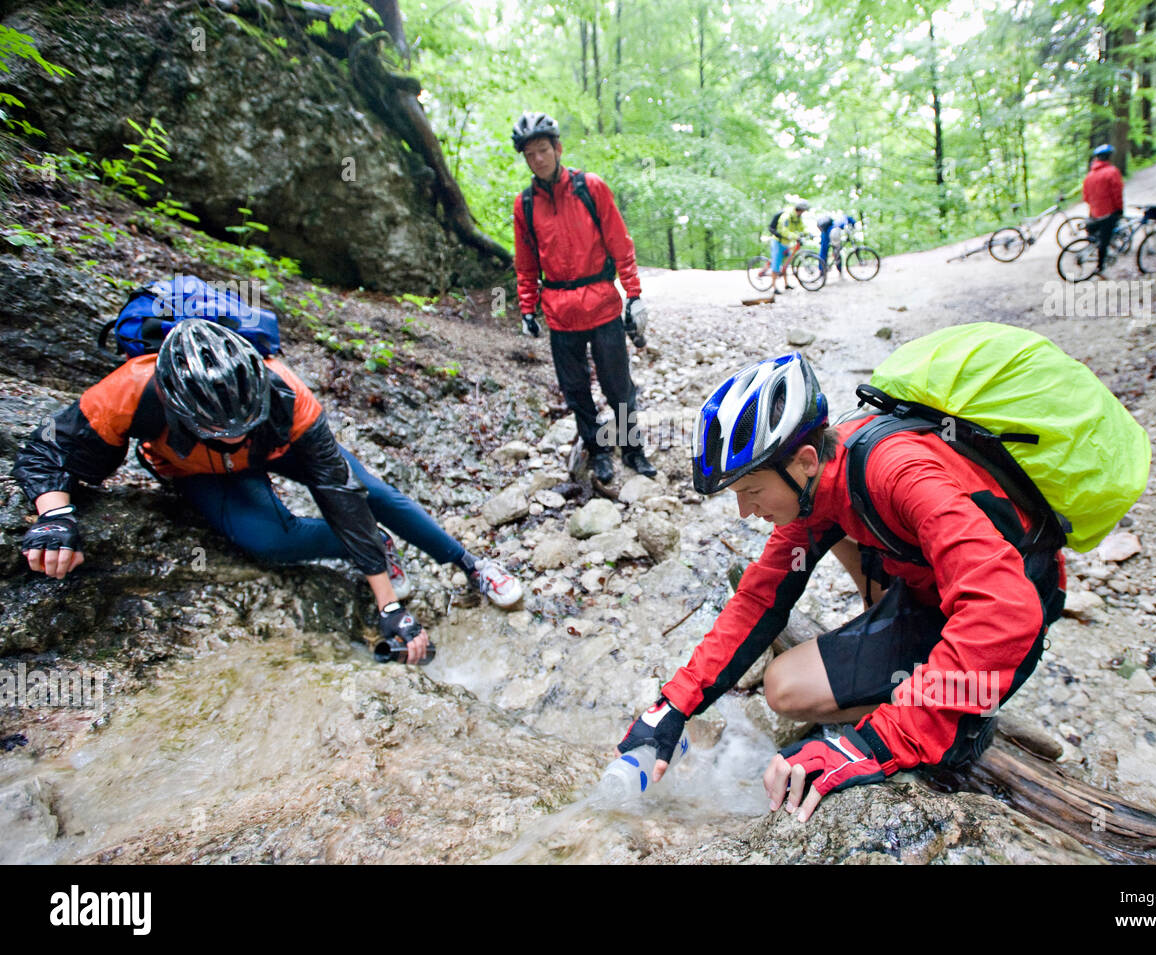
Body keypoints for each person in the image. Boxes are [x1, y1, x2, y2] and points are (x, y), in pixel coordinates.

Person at [617, 354, 1064, 821]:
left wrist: (878, 743)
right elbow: (759, 599)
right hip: (928, 592)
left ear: (805, 460)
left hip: (1011, 609)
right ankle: (928, 690)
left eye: (751, 491)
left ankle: (962, 726)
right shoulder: (814, 489)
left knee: (926, 724)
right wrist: (672, 706)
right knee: (784, 688)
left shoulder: (899, 473)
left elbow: (1004, 612)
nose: (745, 512)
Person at [13, 320, 522, 664]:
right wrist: (55, 515)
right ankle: (371, 545)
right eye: (218, 426)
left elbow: (339, 492)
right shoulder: (130, 388)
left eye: (240, 420)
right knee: (269, 542)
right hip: (200, 472)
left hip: (278, 448)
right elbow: (44, 449)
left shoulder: (285, 391)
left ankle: (471, 564)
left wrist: (390, 609)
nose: (232, 433)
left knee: (373, 495)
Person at [511, 111, 656, 486]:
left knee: (617, 386)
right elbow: (525, 263)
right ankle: (599, 452)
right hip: (559, 314)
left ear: (557, 149)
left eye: (543, 150)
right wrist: (528, 307)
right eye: (530, 154)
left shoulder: (590, 188)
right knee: (576, 392)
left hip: (603, 306)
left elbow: (621, 245)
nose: (538, 159)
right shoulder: (525, 205)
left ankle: (632, 448)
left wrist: (634, 295)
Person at [1082, 143, 1124, 277]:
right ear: (1108, 157)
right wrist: (1119, 209)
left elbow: (1086, 197)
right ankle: (1100, 267)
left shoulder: (1089, 175)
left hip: (1095, 213)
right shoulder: (1112, 171)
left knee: (1099, 235)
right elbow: (1117, 193)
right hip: (1108, 212)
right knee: (1105, 240)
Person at [768, 201, 809, 294]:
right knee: (776, 264)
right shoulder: (786, 216)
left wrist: (808, 233)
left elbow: (802, 227)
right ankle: (774, 287)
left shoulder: (797, 218)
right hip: (778, 242)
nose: (803, 213)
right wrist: (796, 236)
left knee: (786, 263)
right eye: (802, 211)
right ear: (799, 210)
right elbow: (784, 231)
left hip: (787, 243)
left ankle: (786, 284)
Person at [816, 211, 857, 277]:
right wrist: (853, 225)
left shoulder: (839, 221)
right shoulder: (842, 220)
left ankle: (823, 270)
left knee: (827, 252)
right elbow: (851, 221)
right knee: (835, 252)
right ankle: (833, 269)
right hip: (832, 233)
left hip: (832, 233)